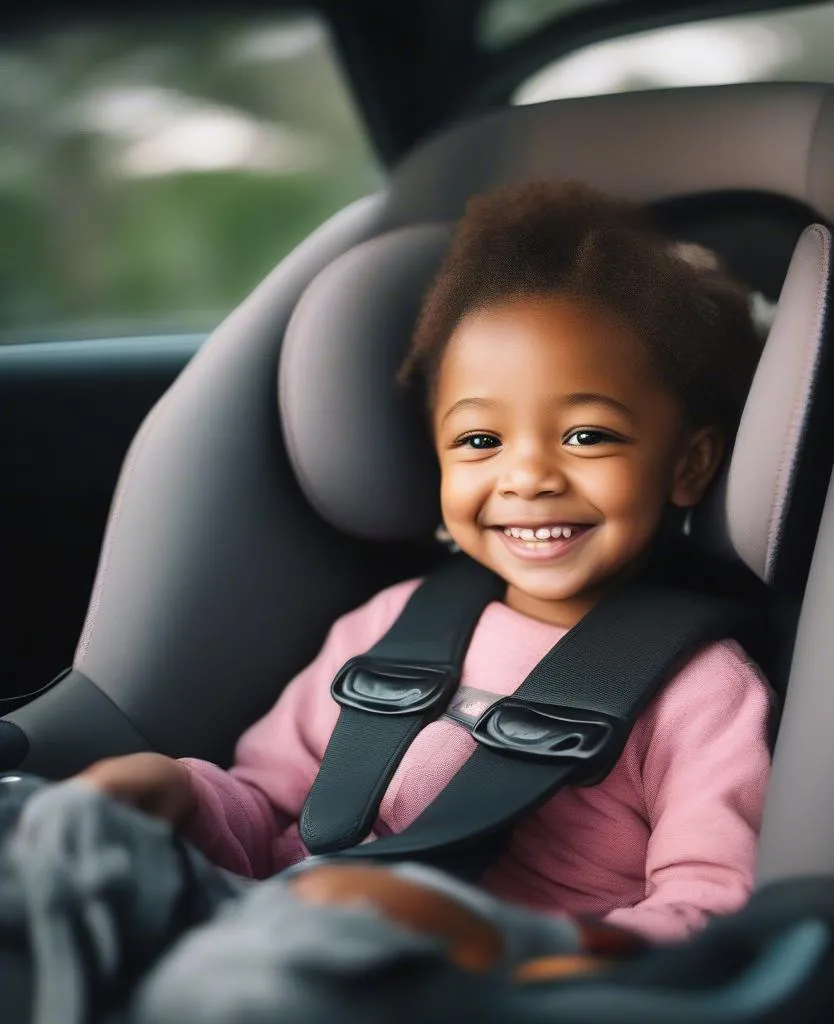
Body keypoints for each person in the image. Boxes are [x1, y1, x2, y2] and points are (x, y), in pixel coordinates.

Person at [79, 180, 774, 946]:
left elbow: (712, 905)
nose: (528, 476)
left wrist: (504, 947)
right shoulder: (391, 625)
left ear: (690, 463)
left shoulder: (702, 692)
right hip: (275, 929)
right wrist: (179, 794)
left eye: (587, 437)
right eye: (481, 442)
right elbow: (271, 810)